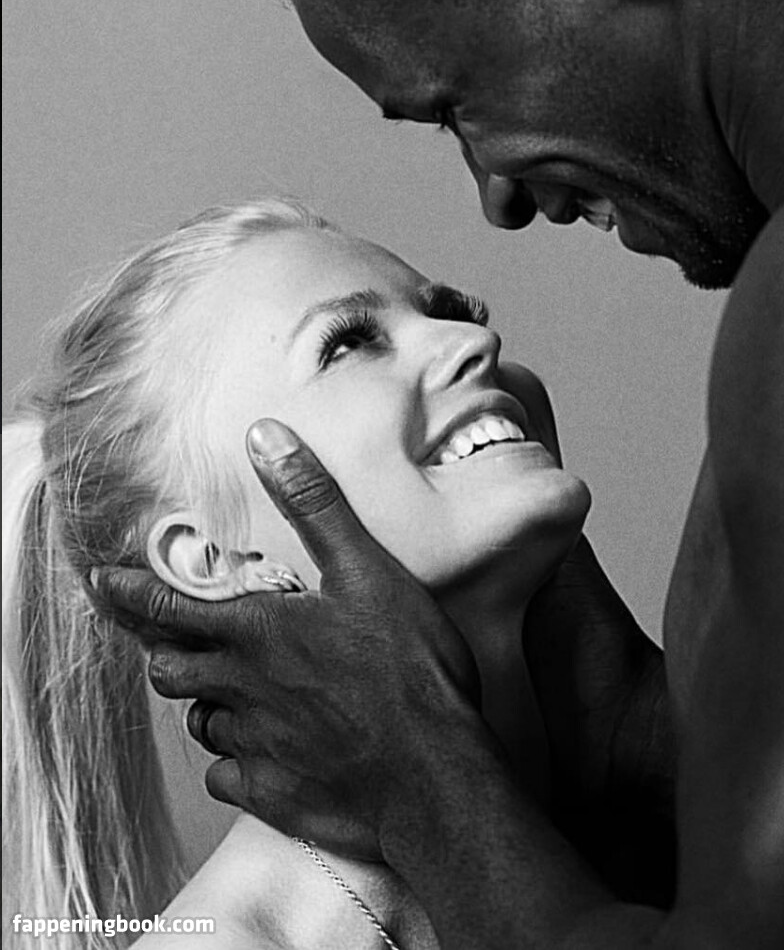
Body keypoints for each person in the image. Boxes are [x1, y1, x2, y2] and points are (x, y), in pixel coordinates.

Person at [96, 0, 784, 948]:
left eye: (457, 106)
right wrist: (625, 726)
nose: (497, 195)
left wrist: (416, 778)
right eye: (348, 342)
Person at [2, 197, 602, 950]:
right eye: (347, 343)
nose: (476, 339)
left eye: (452, 311)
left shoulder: (673, 836)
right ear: (218, 559)